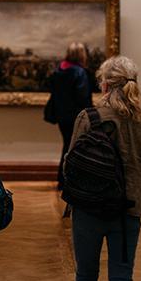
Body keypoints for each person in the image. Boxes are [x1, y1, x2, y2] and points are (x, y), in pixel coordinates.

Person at [66, 56, 141, 281]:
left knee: (86, 274)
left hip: (88, 210)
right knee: (121, 279)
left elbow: (71, 163)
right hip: (127, 212)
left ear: (104, 86)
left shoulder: (87, 118)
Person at [48, 42, 93, 189]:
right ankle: (68, 180)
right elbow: (83, 96)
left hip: (62, 116)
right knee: (75, 147)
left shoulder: (59, 70)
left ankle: (63, 178)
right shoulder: (80, 72)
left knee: (68, 145)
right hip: (77, 116)